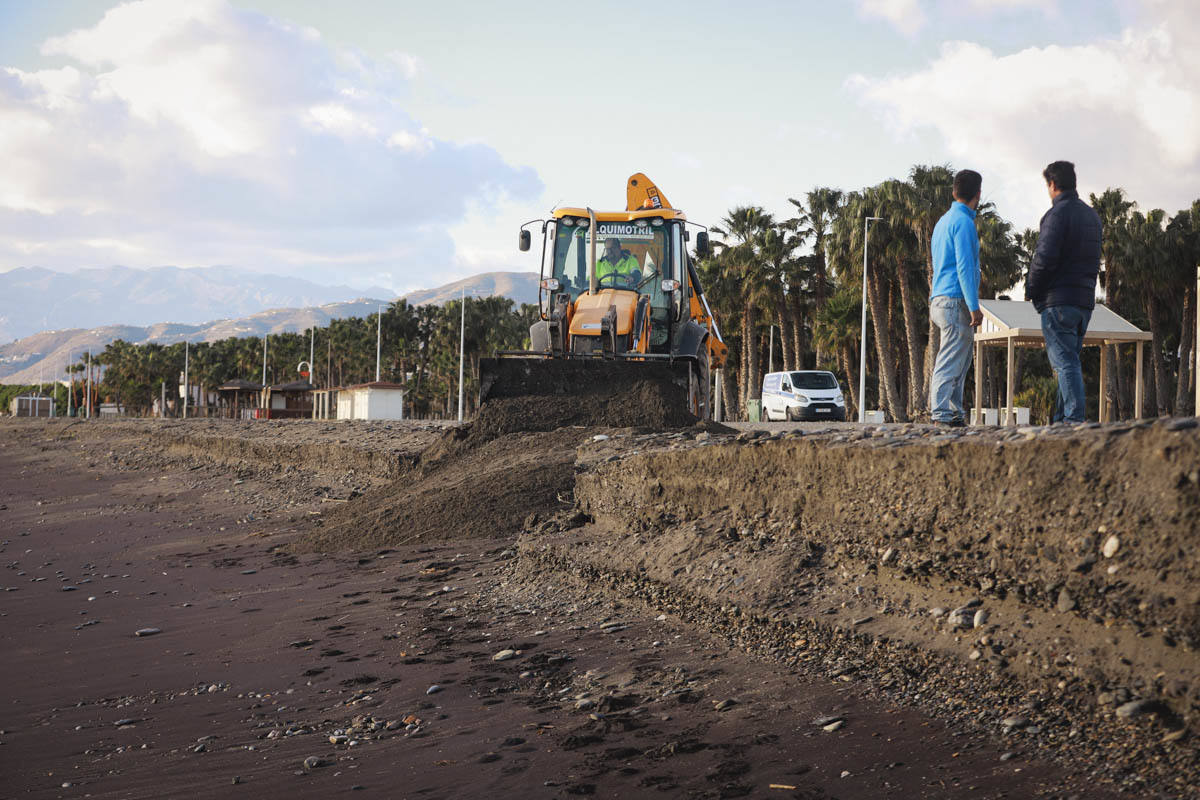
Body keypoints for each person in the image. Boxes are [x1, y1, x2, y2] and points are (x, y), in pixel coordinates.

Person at [1025, 160, 1102, 424]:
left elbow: (1044, 258)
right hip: (1083, 302)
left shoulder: (1056, 215)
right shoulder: (1092, 216)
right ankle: (1060, 419)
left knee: (1065, 363)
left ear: (1053, 184)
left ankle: (1072, 419)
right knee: (1068, 360)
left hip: (1058, 301)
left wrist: (1031, 289)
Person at [928, 169, 983, 426]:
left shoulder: (942, 222)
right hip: (954, 299)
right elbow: (964, 267)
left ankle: (954, 412)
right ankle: (941, 412)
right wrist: (974, 306)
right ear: (978, 194)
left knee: (959, 358)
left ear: (954, 191)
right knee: (952, 358)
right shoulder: (963, 223)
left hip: (938, 298)